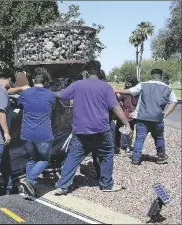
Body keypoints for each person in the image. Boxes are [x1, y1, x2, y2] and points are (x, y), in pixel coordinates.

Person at [52, 60, 132, 195]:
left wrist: (43, 92)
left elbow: (60, 95)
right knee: (106, 155)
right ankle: (106, 184)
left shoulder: (77, 85)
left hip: (80, 130)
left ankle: (63, 186)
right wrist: (127, 124)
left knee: (73, 157)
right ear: (99, 72)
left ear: (86, 72)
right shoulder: (106, 87)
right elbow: (116, 107)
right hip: (101, 130)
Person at [114, 68, 178, 165]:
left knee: (139, 138)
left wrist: (116, 90)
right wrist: (166, 113)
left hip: (142, 117)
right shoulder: (168, 88)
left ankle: (136, 159)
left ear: (151, 75)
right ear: (161, 76)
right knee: (159, 138)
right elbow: (174, 101)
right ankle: (161, 156)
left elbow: (131, 91)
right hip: (157, 118)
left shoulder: (143, 84)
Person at [0, 68, 29, 195]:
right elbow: (0, 112)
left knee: (5, 162)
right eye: (12, 82)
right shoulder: (1, 91)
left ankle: (9, 186)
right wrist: (6, 132)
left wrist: (21, 89)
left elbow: (8, 91)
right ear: (9, 79)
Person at [17, 67, 56, 196]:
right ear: (45, 82)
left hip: (27, 133)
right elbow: (52, 107)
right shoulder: (50, 95)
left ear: (33, 80)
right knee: (44, 159)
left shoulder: (25, 94)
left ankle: (28, 189)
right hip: (43, 134)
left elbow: (19, 104)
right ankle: (29, 180)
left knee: (31, 159)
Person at [114, 77, 139, 155]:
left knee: (118, 130)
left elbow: (118, 99)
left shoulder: (125, 92)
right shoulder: (137, 93)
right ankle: (128, 146)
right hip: (132, 115)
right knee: (130, 130)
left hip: (124, 114)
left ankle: (117, 147)